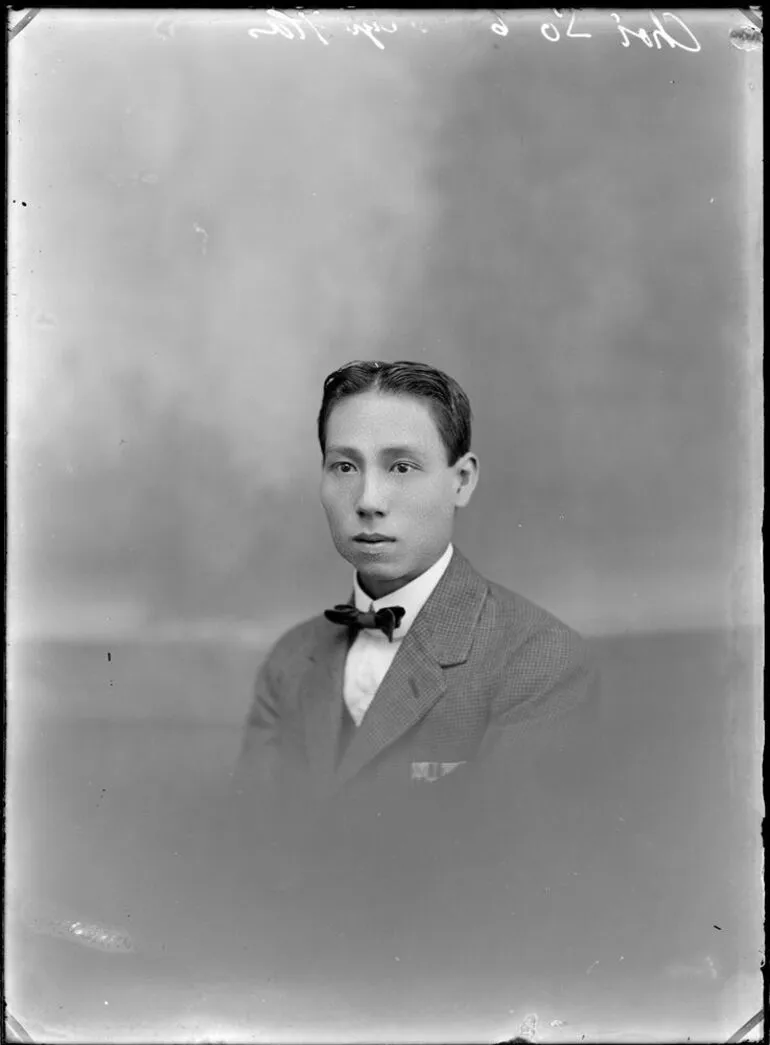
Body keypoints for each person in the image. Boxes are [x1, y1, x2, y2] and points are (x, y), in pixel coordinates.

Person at [232, 359, 597, 896]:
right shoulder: (292, 658)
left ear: (462, 481)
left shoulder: (540, 659)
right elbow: (247, 851)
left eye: (401, 467)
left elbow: (513, 880)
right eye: (344, 467)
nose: (369, 501)